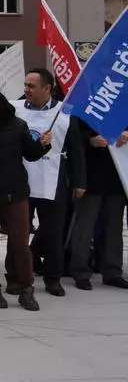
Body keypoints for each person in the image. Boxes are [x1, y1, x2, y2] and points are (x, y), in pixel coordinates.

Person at [9, 68, 85, 297]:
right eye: (25, 85)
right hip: (22, 179)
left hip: (53, 180)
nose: (26, 90)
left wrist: (79, 181)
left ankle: (53, 278)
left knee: (52, 232)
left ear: (47, 88)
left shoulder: (65, 113)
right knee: (18, 232)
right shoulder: (16, 109)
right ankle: (14, 277)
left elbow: (77, 150)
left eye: (31, 86)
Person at [0, 84, 47, 311]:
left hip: (16, 194)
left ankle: (26, 289)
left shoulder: (17, 125)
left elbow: (31, 155)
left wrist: (43, 144)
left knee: (20, 244)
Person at [67, 120, 128, 292]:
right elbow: (74, 136)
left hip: (118, 176)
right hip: (90, 176)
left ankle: (113, 271)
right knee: (84, 227)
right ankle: (80, 272)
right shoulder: (89, 104)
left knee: (114, 228)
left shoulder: (123, 103)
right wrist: (90, 140)